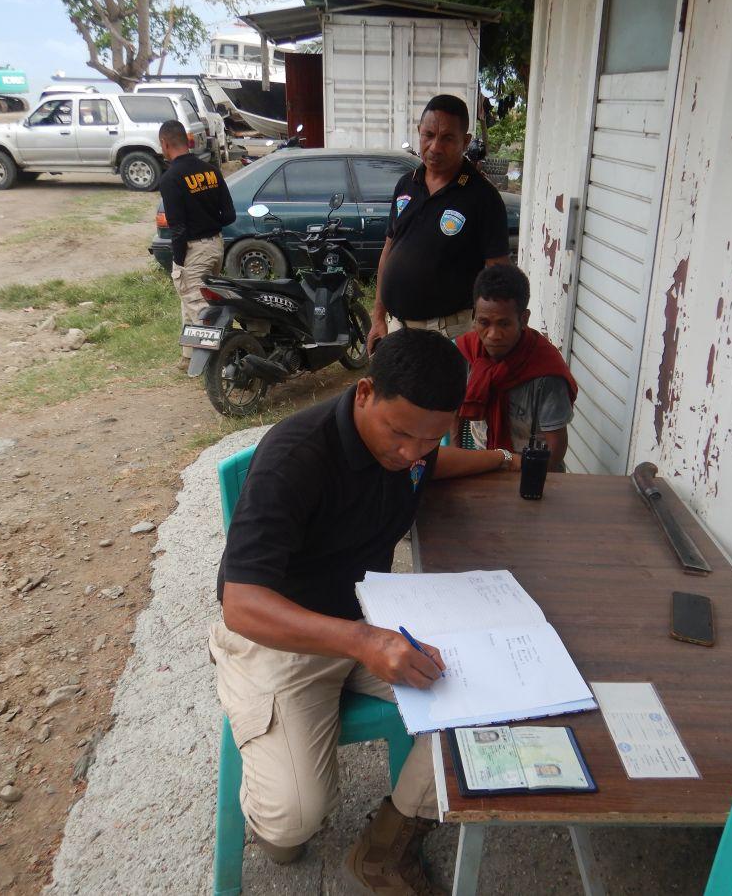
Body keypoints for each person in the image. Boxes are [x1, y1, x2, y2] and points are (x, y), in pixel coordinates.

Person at [209, 328, 521, 895]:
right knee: (292, 824)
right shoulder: (294, 458)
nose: (410, 453)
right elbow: (242, 603)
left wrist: (501, 459)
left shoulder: (413, 447)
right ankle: (274, 808)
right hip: (282, 634)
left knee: (491, 701)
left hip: (370, 618)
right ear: (365, 392)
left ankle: (388, 843)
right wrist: (362, 641)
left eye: (429, 438)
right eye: (399, 433)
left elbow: (432, 463)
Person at [366, 94, 510, 351]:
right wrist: (378, 316)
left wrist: (489, 334)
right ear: (419, 132)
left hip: (447, 334)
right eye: (429, 135)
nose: (435, 147)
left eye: (447, 138)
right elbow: (389, 249)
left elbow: (497, 273)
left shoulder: (482, 197)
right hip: (396, 328)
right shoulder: (406, 184)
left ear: (465, 141)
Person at [455, 264, 578, 471]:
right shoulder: (467, 351)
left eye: (504, 324)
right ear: (475, 317)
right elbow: (454, 411)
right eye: (484, 323)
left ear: (524, 320)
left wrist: (528, 477)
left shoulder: (546, 372)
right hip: (483, 463)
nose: (493, 335)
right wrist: (458, 461)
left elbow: (556, 449)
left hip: (533, 469)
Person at [157, 119, 236, 371]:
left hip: (194, 250)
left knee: (199, 308)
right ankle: (189, 356)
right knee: (192, 300)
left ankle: (223, 363)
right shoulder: (211, 171)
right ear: (188, 140)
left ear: (165, 143)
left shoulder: (171, 179)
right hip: (216, 246)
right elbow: (230, 215)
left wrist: (179, 261)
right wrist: (209, 223)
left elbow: (177, 228)